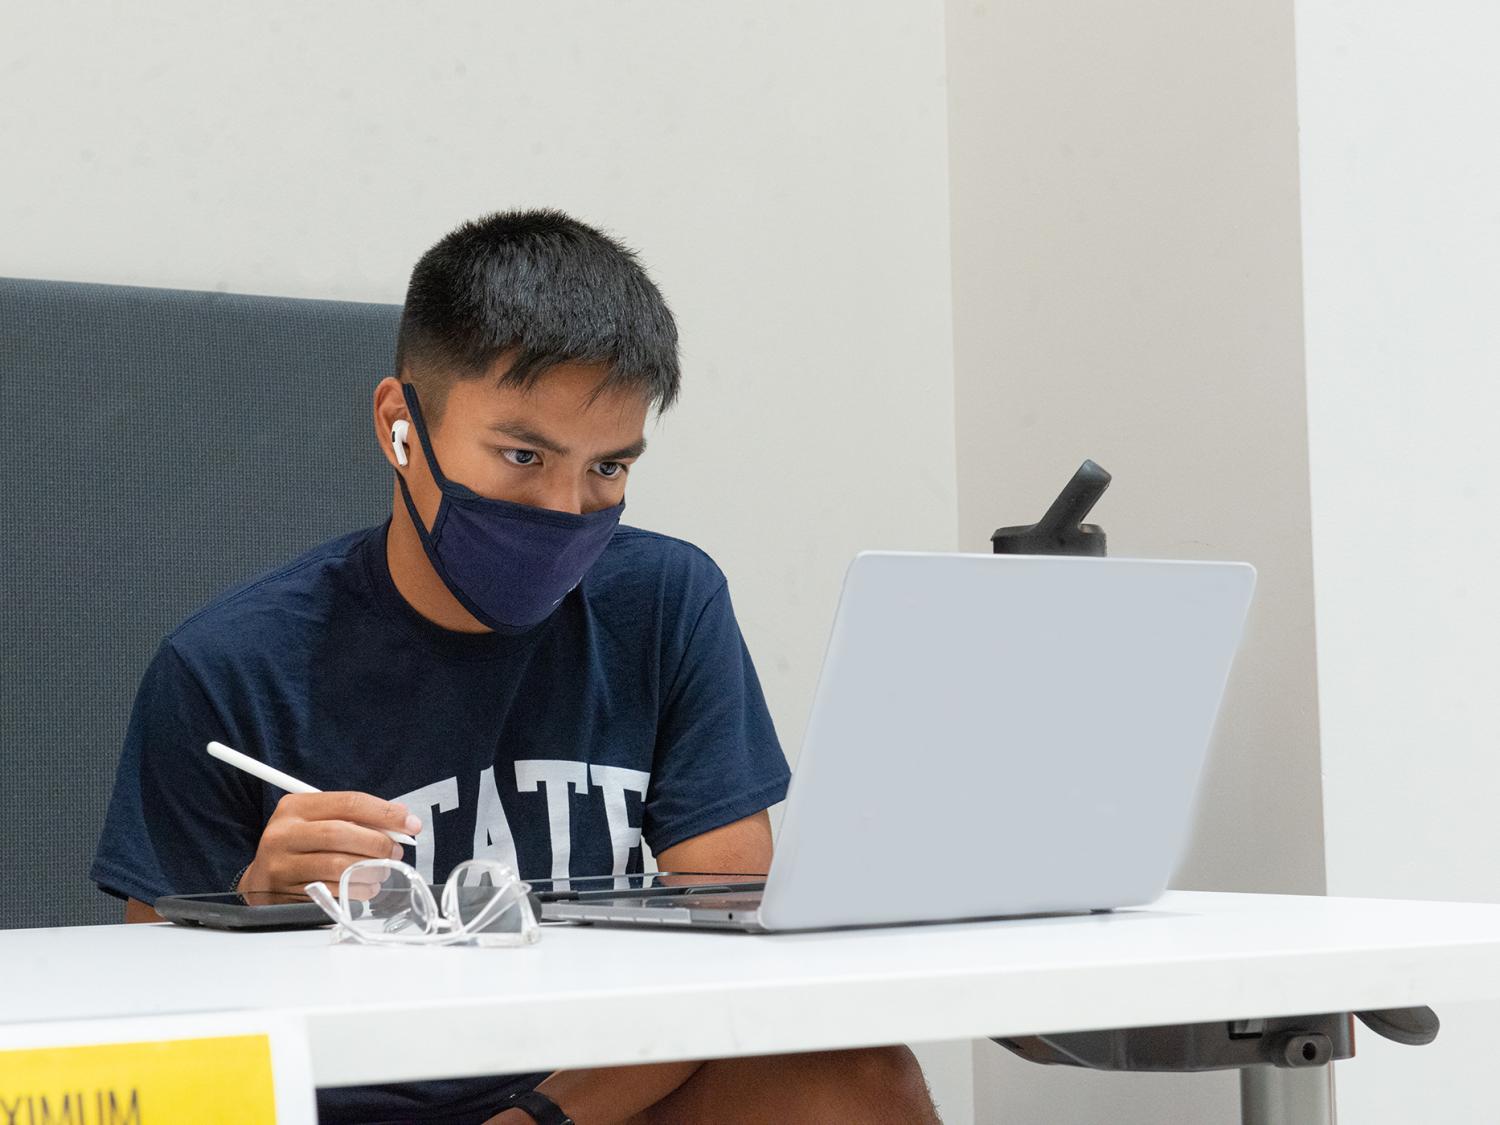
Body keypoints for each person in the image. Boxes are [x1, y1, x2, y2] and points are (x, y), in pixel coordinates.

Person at [91, 210, 940, 1125]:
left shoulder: (666, 602)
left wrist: (538, 1118)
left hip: (587, 1093)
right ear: (400, 426)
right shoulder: (227, 667)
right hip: (349, 1103)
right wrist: (251, 913)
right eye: (522, 454)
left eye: (608, 467)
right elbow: (153, 1033)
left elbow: (730, 953)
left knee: (856, 1074)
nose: (565, 509)